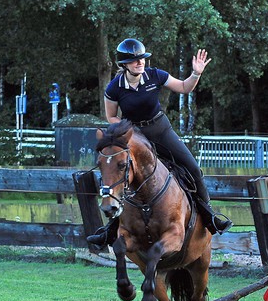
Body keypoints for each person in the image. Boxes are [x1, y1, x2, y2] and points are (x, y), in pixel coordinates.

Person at [87, 38, 233, 249]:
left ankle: (210, 216)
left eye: (142, 59)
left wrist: (196, 73)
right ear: (124, 64)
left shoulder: (155, 75)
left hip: (161, 131)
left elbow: (184, 87)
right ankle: (110, 230)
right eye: (135, 60)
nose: (140, 62)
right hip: (135, 136)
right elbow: (111, 116)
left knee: (193, 168)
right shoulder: (114, 87)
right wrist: (127, 133)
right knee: (121, 176)